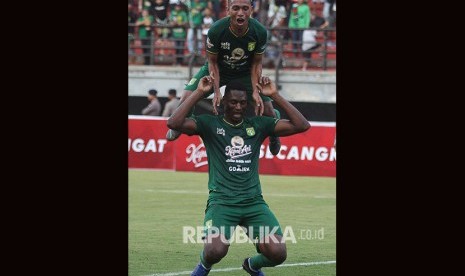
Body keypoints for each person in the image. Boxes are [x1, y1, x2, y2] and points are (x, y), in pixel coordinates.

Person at [167, 75, 310, 276]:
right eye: (233, 102)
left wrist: (275, 95)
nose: (238, 107)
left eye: (243, 103)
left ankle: (252, 265)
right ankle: (203, 267)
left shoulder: (258, 126)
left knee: (278, 253)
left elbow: (302, 125)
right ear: (223, 101)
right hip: (222, 203)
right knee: (214, 251)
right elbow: (173, 123)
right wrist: (199, 92)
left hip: (253, 203)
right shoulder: (209, 124)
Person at [166, 0, 282, 156]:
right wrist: (216, 90)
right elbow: (212, 62)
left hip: (246, 71)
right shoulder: (216, 30)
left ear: (251, 10)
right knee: (186, 98)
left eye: (245, 8)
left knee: (267, 110)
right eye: (236, 8)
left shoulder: (259, 31)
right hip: (217, 68)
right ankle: (179, 126)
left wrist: (255, 91)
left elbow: (256, 64)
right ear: (228, 10)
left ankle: (274, 136)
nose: (240, 12)